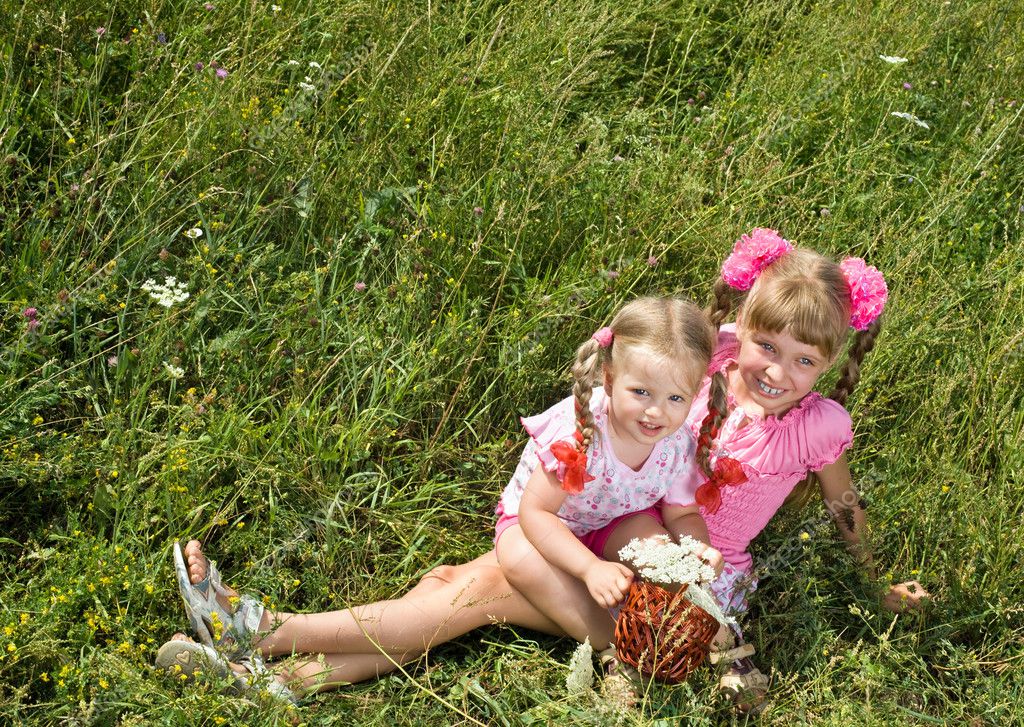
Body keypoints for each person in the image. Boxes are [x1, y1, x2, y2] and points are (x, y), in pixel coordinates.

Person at [157, 297, 728, 702]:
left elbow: (681, 511)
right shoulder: (581, 430)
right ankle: (267, 655)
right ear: (607, 376)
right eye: (641, 392)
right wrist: (589, 566)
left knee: (457, 595)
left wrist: (697, 549)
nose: (656, 410)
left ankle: (265, 653)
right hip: (544, 540)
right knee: (458, 594)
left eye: (675, 397)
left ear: (696, 393)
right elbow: (534, 517)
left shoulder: (678, 441)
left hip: (618, 604)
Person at [652, 228, 930, 710]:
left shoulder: (817, 427)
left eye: (804, 360)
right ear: (741, 323)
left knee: (686, 612)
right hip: (637, 521)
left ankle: (714, 656)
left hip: (715, 560)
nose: (777, 373)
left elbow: (842, 503)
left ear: (827, 364)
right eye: (766, 346)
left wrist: (871, 579)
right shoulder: (708, 359)